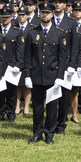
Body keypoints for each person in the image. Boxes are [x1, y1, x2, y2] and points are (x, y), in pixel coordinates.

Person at [22, 8, 68, 145]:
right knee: (37, 107)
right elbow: (27, 56)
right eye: (43, 12)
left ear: (52, 15)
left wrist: (60, 76)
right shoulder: (32, 33)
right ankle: (37, 133)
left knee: (52, 107)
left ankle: (49, 134)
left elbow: (62, 57)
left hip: (52, 76)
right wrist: (27, 75)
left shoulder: (59, 33)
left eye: (48, 13)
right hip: (36, 75)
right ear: (39, 14)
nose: (45, 15)